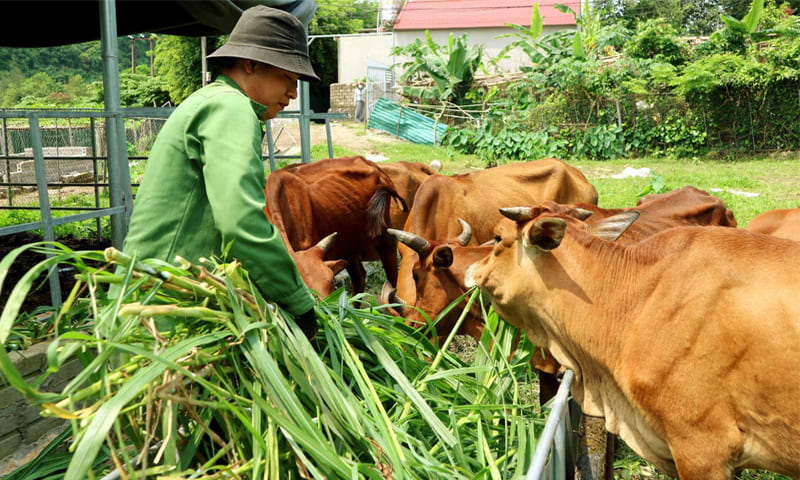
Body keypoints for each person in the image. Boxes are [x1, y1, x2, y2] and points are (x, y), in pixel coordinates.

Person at [120, 6, 321, 338]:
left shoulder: (213, 101)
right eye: (287, 76)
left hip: (158, 301)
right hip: (163, 313)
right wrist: (297, 300)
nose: (293, 93)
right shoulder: (231, 108)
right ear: (251, 64)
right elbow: (241, 220)